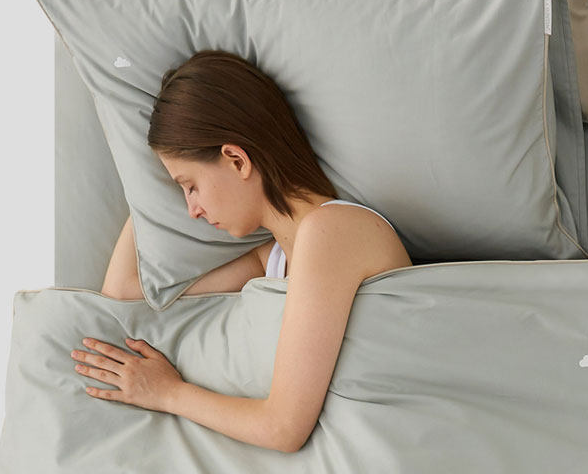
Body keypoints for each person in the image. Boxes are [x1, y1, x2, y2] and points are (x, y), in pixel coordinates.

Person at [71, 50, 412, 453]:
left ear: (236, 160)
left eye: (191, 185)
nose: (192, 210)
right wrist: (146, 195)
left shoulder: (332, 232)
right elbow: (126, 293)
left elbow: (283, 429)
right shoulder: (275, 258)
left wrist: (167, 393)